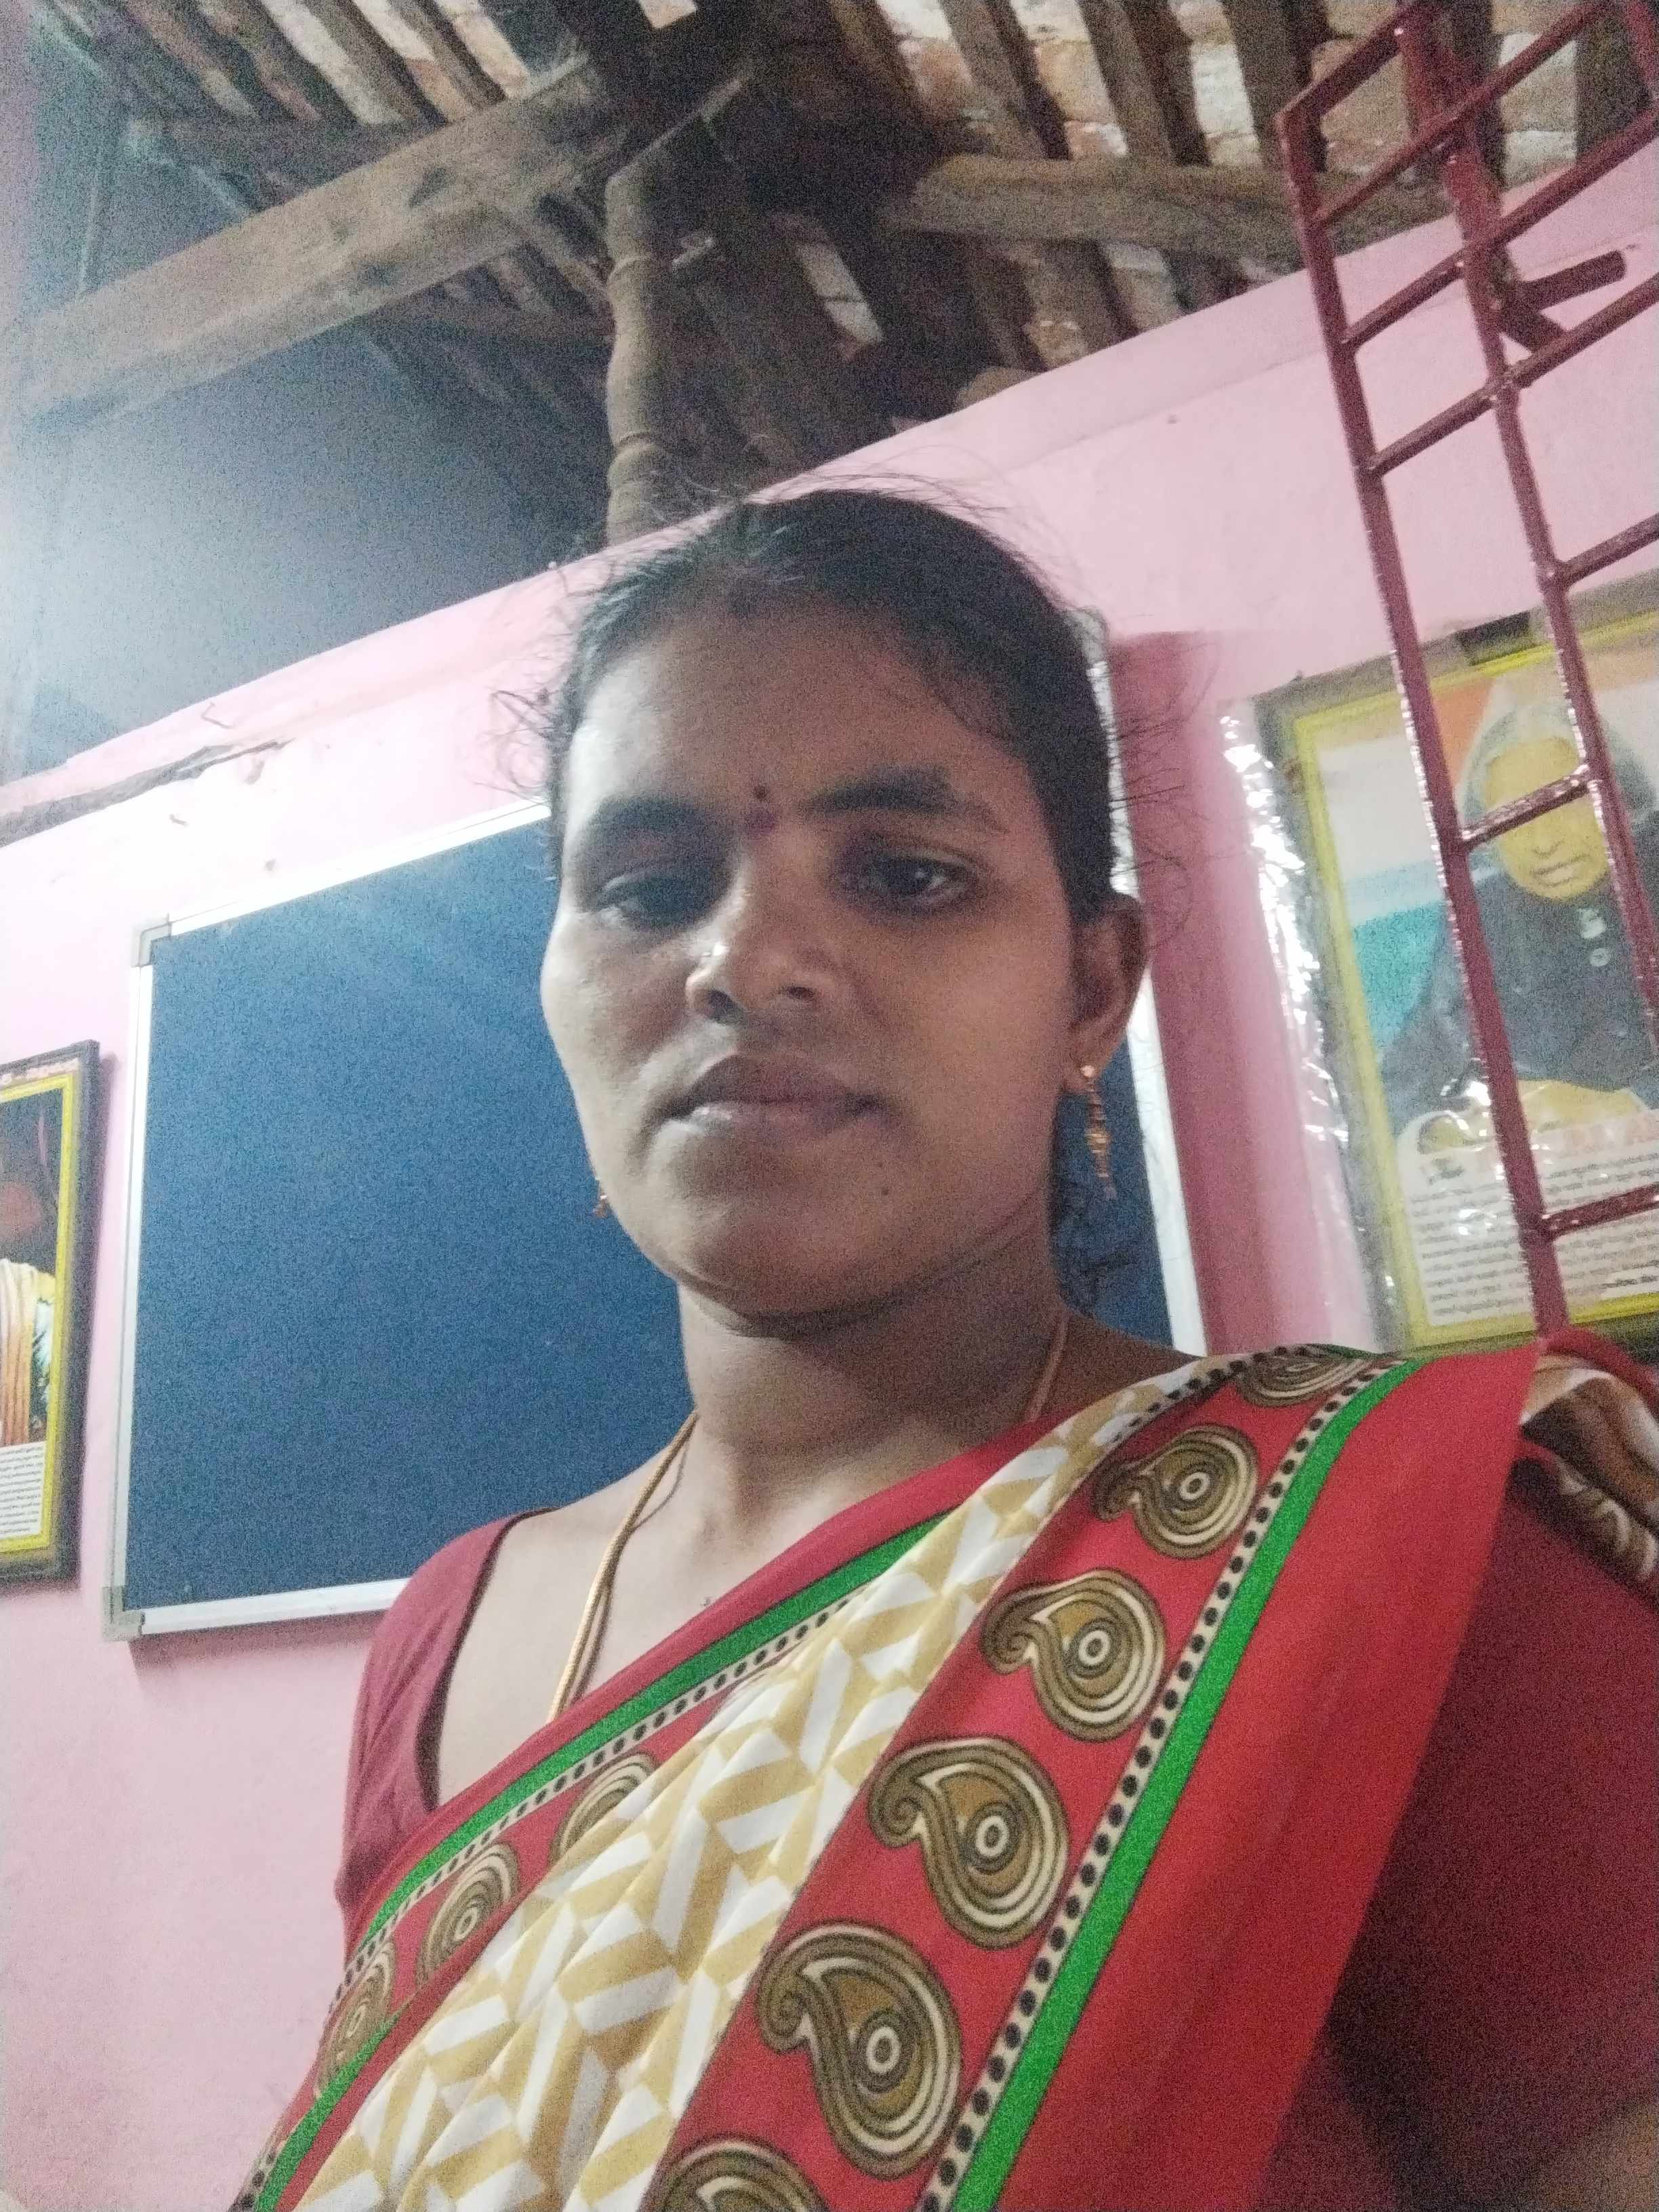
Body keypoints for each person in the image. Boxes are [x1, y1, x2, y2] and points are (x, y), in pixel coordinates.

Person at [237, 492, 1656, 2212]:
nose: (744, 961)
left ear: (1090, 990)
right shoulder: (445, 1638)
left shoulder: (1403, 1565)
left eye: (908, 876)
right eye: (648, 888)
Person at [1380, 699, 1659, 1138]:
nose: (1543, 842)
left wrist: (1633, 1104)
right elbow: (1405, 1080)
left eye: (1567, 805)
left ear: (1622, 799)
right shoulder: (1480, 918)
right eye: (1510, 820)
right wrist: (1442, 1134)